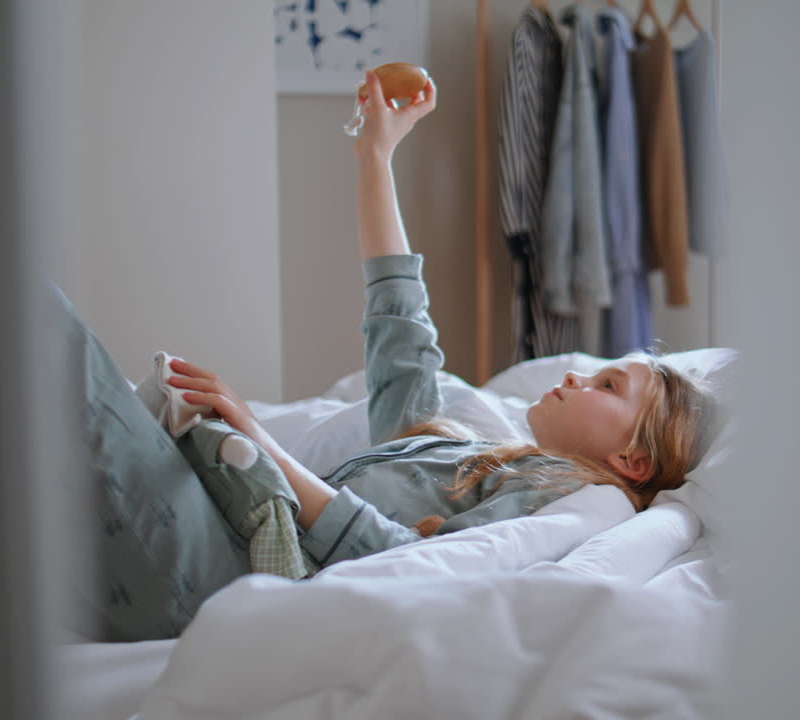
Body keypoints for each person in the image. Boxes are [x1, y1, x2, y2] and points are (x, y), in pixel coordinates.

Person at [164, 69, 712, 569]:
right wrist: (376, 154)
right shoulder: (458, 451)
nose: (575, 376)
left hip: (230, 559)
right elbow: (398, 317)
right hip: (216, 525)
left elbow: (411, 566)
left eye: (606, 385)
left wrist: (260, 440)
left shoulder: (564, 498)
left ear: (633, 460)